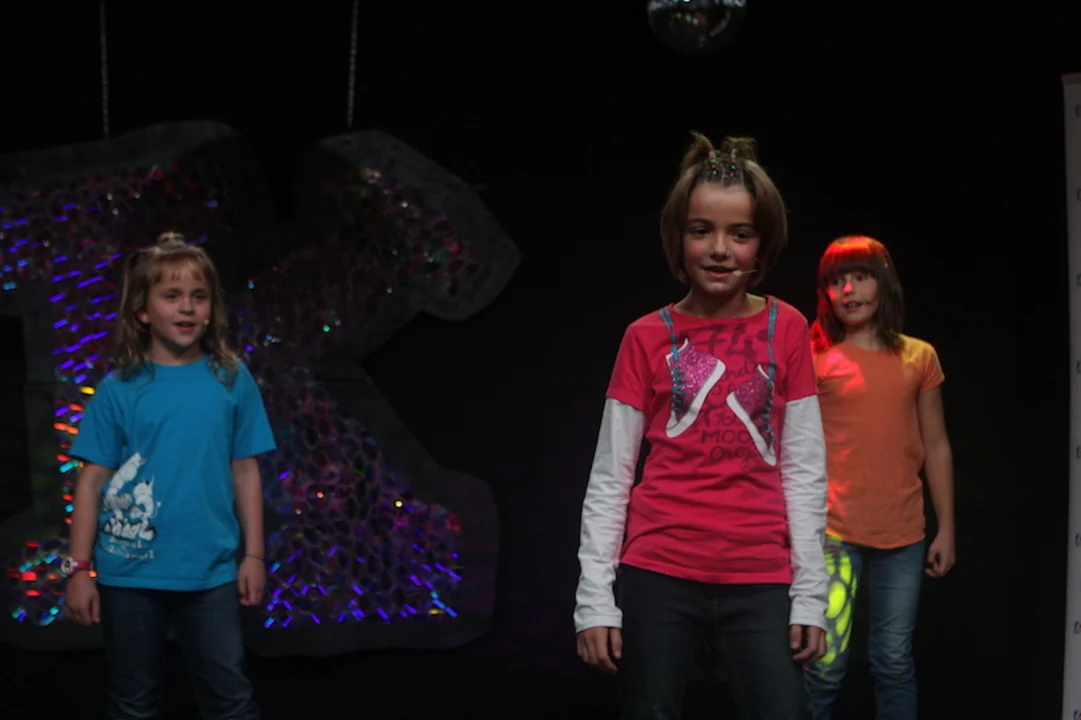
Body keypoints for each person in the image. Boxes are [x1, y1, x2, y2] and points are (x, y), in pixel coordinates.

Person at [574, 132, 829, 720]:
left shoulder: (787, 328)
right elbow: (611, 477)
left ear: (762, 243)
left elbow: (805, 470)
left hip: (761, 573)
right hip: (660, 569)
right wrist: (594, 601)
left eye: (739, 234)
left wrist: (810, 596)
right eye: (701, 231)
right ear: (678, 238)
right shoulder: (646, 337)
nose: (719, 249)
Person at [62, 232, 277, 720]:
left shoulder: (231, 379)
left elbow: (245, 470)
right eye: (172, 295)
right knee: (133, 703)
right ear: (142, 310)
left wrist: (254, 555)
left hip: (210, 572)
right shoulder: (119, 390)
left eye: (199, 297)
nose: (187, 308)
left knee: (230, 700)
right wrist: (77, 570)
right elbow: (91, 482)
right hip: (129, 572)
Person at [804, 235, 956, 720]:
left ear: (883, 282)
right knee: (824, 664)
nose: (848, 290)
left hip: (902, 535)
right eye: (836, 281)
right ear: (826, 292)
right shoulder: (815, 358)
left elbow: (936, 444)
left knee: (893, 661)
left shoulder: (919, 357)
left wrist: (947, 528)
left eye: (861, 276)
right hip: (832, 534)